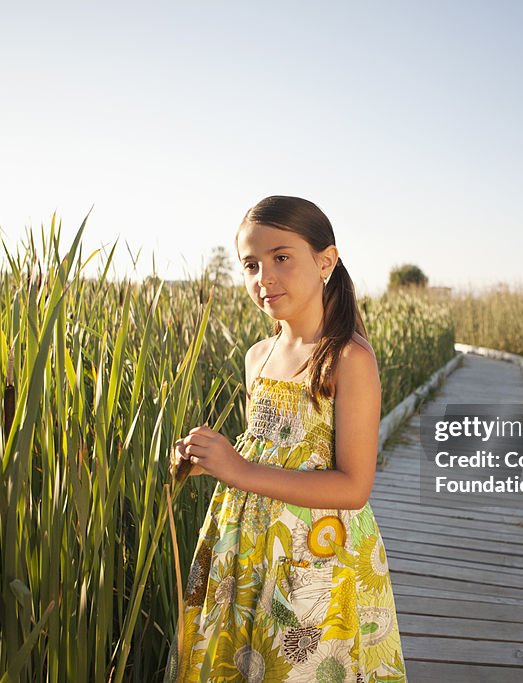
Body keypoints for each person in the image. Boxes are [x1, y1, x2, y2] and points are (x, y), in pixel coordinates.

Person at [164, 196, 407, 682]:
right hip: (248, 548)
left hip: (316, 555)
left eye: (281, 258)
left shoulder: (348, 359)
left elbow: (354, 487)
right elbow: (266, 445)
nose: (264, 278)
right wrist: (206, 459)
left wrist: (241, 470)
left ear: (326, 261)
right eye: (250, 265)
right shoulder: (258, 355)